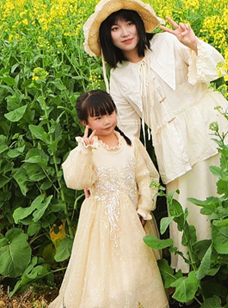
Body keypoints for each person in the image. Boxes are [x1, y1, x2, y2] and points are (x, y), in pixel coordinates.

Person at [82, 0, 228, 272]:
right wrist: (96, 161)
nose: (125, 32)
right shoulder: (118, 76)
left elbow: (216, 69)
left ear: (139, 25)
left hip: (210, 127)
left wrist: (193, 44)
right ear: (108, 37)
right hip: (173, 146)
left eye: (129, 23)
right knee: (188, 211)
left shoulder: (167, 43)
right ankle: (197, 277)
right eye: (115, 28)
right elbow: (126, 133)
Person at [49, 90, 167, 308]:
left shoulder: (131, 144)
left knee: (134, 267)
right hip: (100, 222)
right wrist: (84, 151)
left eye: (110, 113)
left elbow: (148, 178)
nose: (107, 121)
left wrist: (144, 209)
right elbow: (76, 180)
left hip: (132, 219)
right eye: (98, 118)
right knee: (102, 270)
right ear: (85, 122)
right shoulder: (88, 150)